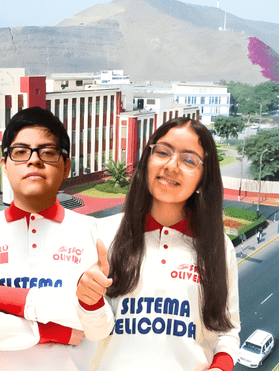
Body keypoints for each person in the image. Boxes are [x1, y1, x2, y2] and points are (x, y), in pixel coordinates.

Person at [76, 117, 240, 371]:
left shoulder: (219, 247)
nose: (171, 166)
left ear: (202, 179)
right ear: (147, 161)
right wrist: (90, 299)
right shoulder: (103, 234)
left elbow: (227, 331)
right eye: (163, 152)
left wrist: (220, 366)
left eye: (188, 160)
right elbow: (97, 333)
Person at [0, 107, 99, 370]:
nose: (34, 161)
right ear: (4, 164)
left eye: (47, 152)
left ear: (66, 166)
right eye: (21, 152)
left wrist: (3, 298)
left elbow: (97, 321)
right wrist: (53, 332)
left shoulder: (93, 233)